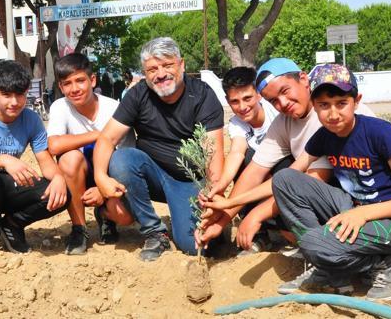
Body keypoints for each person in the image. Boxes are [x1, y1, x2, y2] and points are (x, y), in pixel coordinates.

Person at [196, 58, 374, 254]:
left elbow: (312, 179)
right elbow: (254, 172)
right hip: (328, 195)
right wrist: (222, 221)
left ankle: (326, 250)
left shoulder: (328, 116)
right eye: (273, 100)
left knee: (289, 190)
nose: (282, 103)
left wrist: (255, 215)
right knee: (276, 179)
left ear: (304, 79)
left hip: (363, 198)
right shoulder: (284, 121)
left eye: (285, 91)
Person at [94, 37, 224, 261]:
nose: (160, 74)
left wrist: (214, 197)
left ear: (181, 65)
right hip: (150, 175)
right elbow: (107, 138)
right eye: (152, 69)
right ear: (145, 73)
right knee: (122, 160)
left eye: (167, 65)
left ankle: (191, 218)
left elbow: (213, 152)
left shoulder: (202, 95)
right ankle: (154, 231)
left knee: (195, 246)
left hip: (189, 180)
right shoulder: (137, 95)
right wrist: (100, 177)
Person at [0, 60, 69, 253]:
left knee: (61, 193)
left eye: (20, 95)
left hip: (9, 186)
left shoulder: (31, 119)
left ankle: (11, 225)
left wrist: (59, 178)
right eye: (6, 95)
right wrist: (5, 159)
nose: (14, 102)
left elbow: (44, 159)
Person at [47, 53, 135, 254]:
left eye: (80, 81)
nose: (74, 89)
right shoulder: (60, 107)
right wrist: (98, 135)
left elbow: (127, 156)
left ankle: (104, 215)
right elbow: (54, 145)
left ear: (92, 80)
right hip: (78, 175)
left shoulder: (113, 108)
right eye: (67, 84)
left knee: (125, 217)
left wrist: (103, 191)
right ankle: (79, 229)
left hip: (110, 174)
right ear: (60, 88)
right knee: (69, 158)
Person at [220, 66, 287, 255]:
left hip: (284, 172)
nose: (242, 107)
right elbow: (236, 152)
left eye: (247, 98)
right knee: (244, 160)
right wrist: (222, 184)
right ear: (227, 101)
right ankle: (260, 234)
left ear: (259, 94)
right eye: (235, 101)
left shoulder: (277, 112)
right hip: (258, 177)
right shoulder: (236, 124)